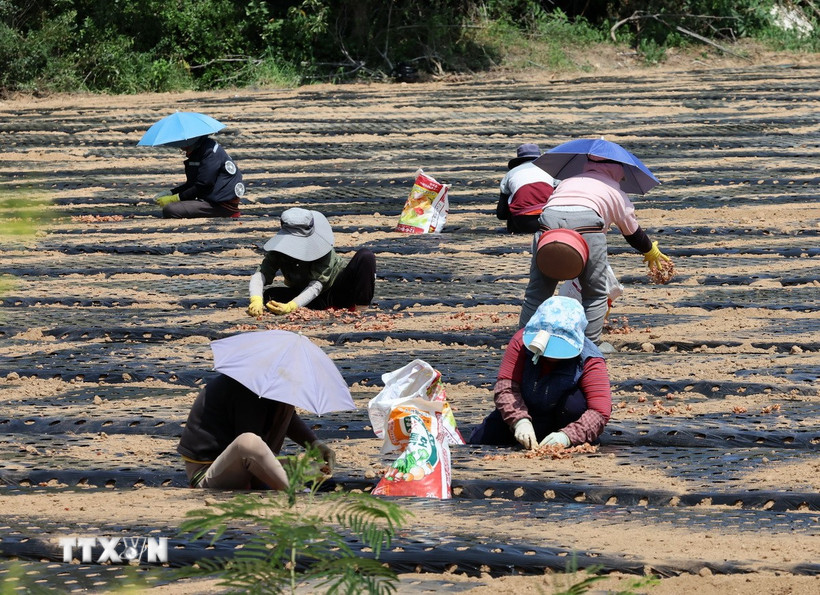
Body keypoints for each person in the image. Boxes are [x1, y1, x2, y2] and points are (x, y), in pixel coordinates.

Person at [519, 155, 672, 342]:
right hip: (587, 227)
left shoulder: (567, 181)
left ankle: (522, 343)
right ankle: (588, 348)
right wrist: (649, 250)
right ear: (619, 170)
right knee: (595, 294)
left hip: (548, 225)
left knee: (538, 291)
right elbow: (632, 232)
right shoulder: (615, 192)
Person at [469, 296, 611, 449]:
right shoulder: (521, 342)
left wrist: (568, 436)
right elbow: (506, 387)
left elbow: (599, 411)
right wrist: (519, 421)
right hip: (525, 410)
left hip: (565, 418)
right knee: (482, 439)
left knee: (574, 403)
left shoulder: (590, 358)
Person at [177, 373, 335, 489]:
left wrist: (315, 444)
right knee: (248, 442)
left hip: (243, 467)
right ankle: (294, 491)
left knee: (305, 467)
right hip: (208, 472)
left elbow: (289, 417)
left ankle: (291, 481)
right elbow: (251, 451)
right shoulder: (246, 389)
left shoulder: (269, 389)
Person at [247, 208, 376, 317]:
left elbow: (317, 285)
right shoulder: (278, 251)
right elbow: (261, 273)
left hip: (337, 290)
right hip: (310, 297)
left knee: (365, 257)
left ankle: (360, 312)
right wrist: (256, 299)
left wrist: (292, 306)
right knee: (270, 296)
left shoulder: (322, 247)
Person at [153, 135, 245, 219]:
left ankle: (226, 214)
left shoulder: (210, 152)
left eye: (185, 148)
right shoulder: (201, 150)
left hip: (222, 204)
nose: (184, 151)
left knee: (170, 209)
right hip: (211, 199)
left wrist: (176, 198)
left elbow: (204, 184)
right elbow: (192, 183)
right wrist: (171, 193)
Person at [496, 143, 558, 234]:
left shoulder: (510, 174)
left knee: (512, 199)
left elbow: (501, 214)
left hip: (524, 222)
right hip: (549, 221)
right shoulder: (551, 171)